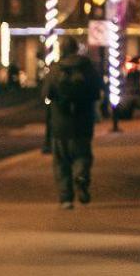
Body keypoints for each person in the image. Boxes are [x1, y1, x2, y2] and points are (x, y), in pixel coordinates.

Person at [41, 43, 104, 208]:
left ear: (62, 50)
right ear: (77, 50)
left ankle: (66, 198)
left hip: (59, 125)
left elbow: (46, 94)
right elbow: (98, 90)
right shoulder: (87, 68)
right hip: (83, 123)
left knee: (61, 162)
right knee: (83, 155)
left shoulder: (55, 70)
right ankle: (81, 176)